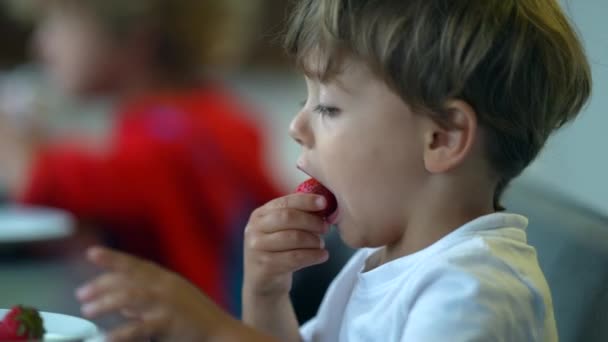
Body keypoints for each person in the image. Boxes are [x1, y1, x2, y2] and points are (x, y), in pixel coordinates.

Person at [75, 0, 592, 340]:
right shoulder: (381, 260)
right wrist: (266, 292)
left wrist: (217, 333)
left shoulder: (473, 293)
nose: (298, 125)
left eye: (329, 106)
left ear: (442, 137)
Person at [0, 0, 280, 313]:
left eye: (59, 22)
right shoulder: (216, 115)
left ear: (134, 36)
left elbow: (46, 179)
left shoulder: (174, 134)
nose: (40, 44)